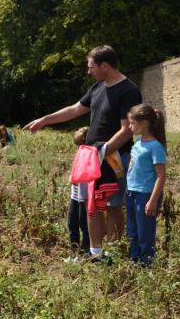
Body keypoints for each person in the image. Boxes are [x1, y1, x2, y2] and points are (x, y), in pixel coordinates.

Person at [25, 45, 141, 260]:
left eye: (91, 67)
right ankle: (95, 253)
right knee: (92, 205)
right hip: (93, 157)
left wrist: (104, 150)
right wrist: (44, 120)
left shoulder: (128, 90)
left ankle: (113, 253)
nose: (89, 72)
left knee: (113, 205)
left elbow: (127, 130)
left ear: (105, 66)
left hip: (115, 158)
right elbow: (74, 109)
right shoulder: (97, 87)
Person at [124, 104, 167, 266]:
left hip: (146, 195)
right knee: (132, 231)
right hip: (131, 192)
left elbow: (161, 177)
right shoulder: (137, 142)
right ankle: (133, 261)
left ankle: (146, 264)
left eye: (132, 123)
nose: (129, 126)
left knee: (145, 233)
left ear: (144, 124)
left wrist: (153, 200)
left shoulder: (155, 147)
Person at [68, 128, 90, 254]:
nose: (79, 148)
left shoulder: (91, 155)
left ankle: (87, 248)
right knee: (72, 222)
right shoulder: (79, 153)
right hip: (75, 194)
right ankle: (74, 248)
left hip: (85, 196)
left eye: (80, 145)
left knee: (84, 223)